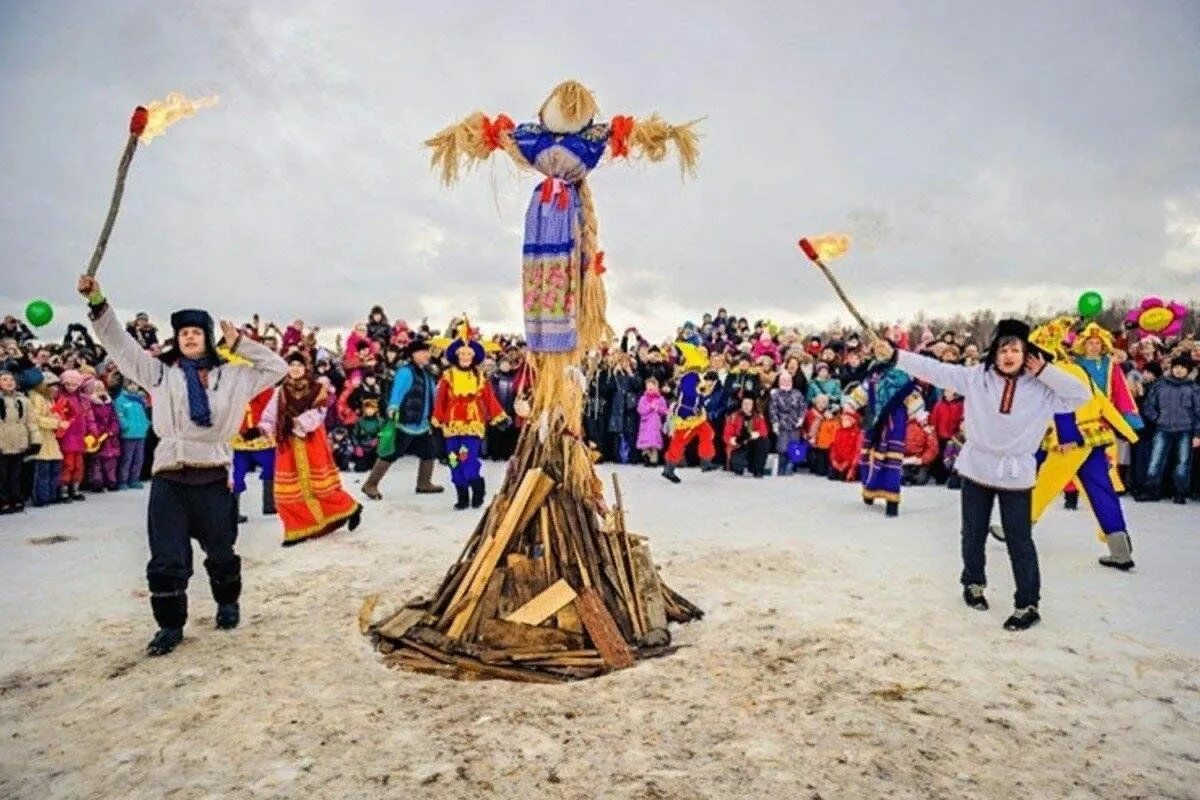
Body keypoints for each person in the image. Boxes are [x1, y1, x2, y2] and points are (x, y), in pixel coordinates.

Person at [78, 274, 288, 656]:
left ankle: (227, 602)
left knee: (222, 552)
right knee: (167, 558)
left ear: (209, 337)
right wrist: (98, 304)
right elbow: (121, 348)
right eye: (184, 332)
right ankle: (170, 626)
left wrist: (241, 343)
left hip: (213, 476)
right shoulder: (161, 373)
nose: (189, 337)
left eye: (196, 331)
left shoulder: (235, 376)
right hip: (170, 478)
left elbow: (277, 369)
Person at [873, 319, 1090, 631]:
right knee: (972, 533)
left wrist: (1044, 371)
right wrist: (896, 356)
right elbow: (936, 370)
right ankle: (973, 584)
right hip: (977, 467)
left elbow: (1080, 396)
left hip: (1016, 473)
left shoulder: (1044, 387)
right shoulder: (977, 377)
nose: (1009, 355)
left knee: (1020, 540)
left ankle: (1028, 602)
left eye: (1016, 349)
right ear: (995, 352)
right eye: (1004, 348)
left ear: (1027, 353)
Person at [1027, 317, 1140, 570]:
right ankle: (1119, 547)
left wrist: (1063, 436)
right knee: (1102, 491)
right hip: (1095, 436)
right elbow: (1104, 405)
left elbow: (1060, 407)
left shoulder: (1051, 374)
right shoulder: (1079, 370)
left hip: (1069, 439)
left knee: (1043, 485)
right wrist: (1128, 433)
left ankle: (1016, 529)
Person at [261, 352, 363, 546]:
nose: (295, 368)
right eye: (292, 365)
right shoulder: (280, 391)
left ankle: (350, 508)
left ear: (306, 368)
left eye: (299, 365)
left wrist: (298, 424)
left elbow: (319, 412)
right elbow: (269, 414)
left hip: (311, 440)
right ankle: (296, 528)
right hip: (287, 444)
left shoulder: (317, 388)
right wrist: (264, 428)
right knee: (287, 492)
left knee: (320, 486)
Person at [431, 325, 507, 509]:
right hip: (451, 424)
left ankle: (477, 488)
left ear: (473, 357)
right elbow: (440, 400)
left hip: (472, 424)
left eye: (468, 355)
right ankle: (462, 496)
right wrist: (437, 419)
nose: (465, 358)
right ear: (457, 356)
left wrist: (499, 416)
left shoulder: (480, 377)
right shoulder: (447, 376)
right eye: (462, 354)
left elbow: (489, 399)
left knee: (467, 459)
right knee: (453, 460)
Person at [361, 339, 444, 500]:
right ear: (413, 354)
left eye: (427, 351)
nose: (427, 354)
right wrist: (393, 407)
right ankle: (370, 484)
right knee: (391, 453)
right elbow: (397, 391)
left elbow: (434, 395)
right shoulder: (406, 371)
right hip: (406, 422)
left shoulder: (427, 373)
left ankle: (424, 483)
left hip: (423, 422)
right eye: (422, 352)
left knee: (429, 452)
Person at [1136, 354, 1200, 504]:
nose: (1179, 370)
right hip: (1163, 428)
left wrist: (1197, 433)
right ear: (1171, 368)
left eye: (1183, 368)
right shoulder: (1160, 385)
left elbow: (1199, 412)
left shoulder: (1194, 388)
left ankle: (1180, 492)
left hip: (1186, 429)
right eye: (1176, 367)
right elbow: (1149, 405)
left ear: (1188, 371)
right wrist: (1157, 418)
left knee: (1183, 462)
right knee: (1156, 460)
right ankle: (1151, 490)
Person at [662, 343, 718, 483]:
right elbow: (689, 393)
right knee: (680, 440)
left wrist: (706, 390)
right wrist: (702, 389)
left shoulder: (697, 376)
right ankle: (669, 468)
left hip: (696, 416)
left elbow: (700, 396)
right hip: (685, 415)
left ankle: (705, 461)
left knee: (707, 432)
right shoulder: (688, 376)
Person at [230, 387, 278, 523]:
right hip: (241, 437)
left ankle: (270, 504)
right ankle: (234, 510)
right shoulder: (234, 386)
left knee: (271, 468)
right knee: (237, 473)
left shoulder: (265, 388)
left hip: (259, 435)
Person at [0, 368, 40, 514]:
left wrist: (35, 441)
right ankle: (3, 500)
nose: (9, 382)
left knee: (16, 474)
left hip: (19, 442)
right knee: (2, 475)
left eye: (11, 380)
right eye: (5, 380)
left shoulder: (23, 400)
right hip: (2, 443)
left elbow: (31, 422)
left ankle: (16, 498)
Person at [114, 379, 151, 490]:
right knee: (127, 458)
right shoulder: (121, 400)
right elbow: (120, 415)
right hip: (128, 434)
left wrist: (146, 424)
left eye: (136, 384)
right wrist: (125, 426)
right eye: (131, 384)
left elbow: (143, 415)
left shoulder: (139, 400)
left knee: (139, 458)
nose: (134, 387)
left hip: (140, 433)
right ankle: (123, 480)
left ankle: (134, 479)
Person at [768, 370, 806, 476]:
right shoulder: (776, 394)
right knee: (782, 447)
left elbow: (803, 407)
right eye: (783, 380)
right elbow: (772, 409)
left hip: (795, 423)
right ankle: (781, 468)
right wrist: (774, 422)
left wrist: (801, 418)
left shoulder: (797, 393)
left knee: (795, 447)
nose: (785, 382)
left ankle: (791, 468)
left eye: (788, 380)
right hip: (782, 424)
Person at [724, 396, 769, 477]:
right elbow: (726, 435)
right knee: (738, 467)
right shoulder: (734, 416)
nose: (746, 406)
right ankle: (742, 466)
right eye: (744, 403)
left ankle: (758, 470)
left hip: (753, 444)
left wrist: (755, 434)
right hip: (739, 445)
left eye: (749, 404)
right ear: (741, 404)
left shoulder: (758, 417)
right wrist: (733, 440)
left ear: (752, 406)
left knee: (764, 441)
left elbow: (764, 431)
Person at [636, 376, 669, 466]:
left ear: (656, 387)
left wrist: (658, 408)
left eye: (652, 385)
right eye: (648, 385)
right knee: (646, 444)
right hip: (645, 424)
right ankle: (646, 457)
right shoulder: (643, 398)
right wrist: (649, 407)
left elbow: (665, 410)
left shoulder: (660, 398)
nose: (650, 387)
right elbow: (640, 410)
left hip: (655, 424)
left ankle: (653, 461)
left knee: (654, 444)